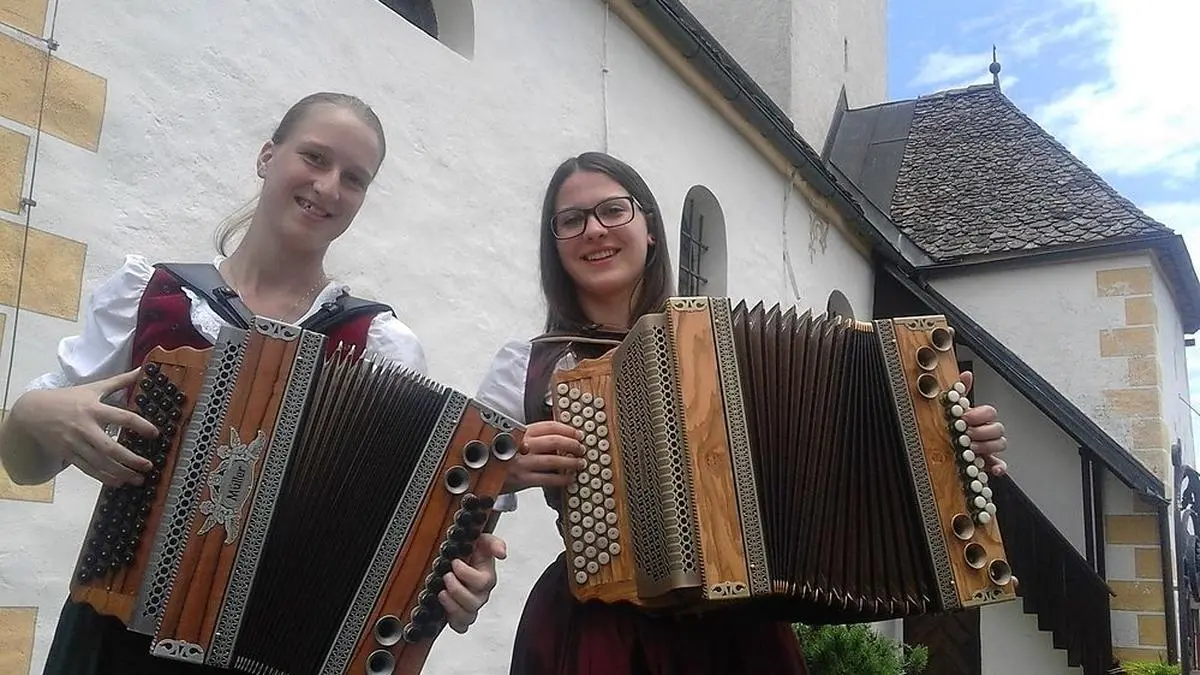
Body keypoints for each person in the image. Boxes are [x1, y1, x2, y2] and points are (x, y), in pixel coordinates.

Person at [0, 92, 505, 674]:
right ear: (268, 156)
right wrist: (34, 413)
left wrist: (454, 584)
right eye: (314, 157)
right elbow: (25, 466)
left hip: (279, 657)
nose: (329, 186)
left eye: (354, 178)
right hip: (113, 645)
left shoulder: (380, 342)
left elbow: (410, 530)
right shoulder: (151, 294)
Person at [474, 151, 1010, 675]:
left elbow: (843, 457)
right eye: (571, 220)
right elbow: (451, 507)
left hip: (739, 638)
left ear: (650, 228)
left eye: (613, 210)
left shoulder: (725, 351)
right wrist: (501, 471)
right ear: (555, 244)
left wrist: (952, 449)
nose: (594, 229)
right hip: (602, 635)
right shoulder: (527, 367)